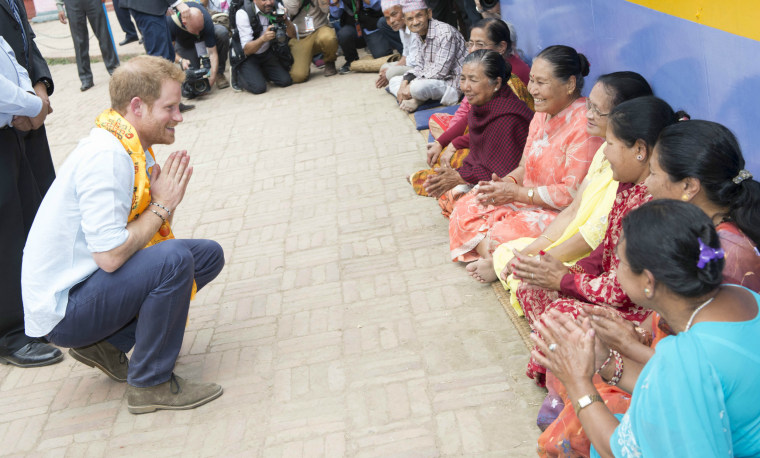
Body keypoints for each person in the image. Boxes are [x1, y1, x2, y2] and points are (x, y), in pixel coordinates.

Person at [538, 120, 760, 457]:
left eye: (622, 263)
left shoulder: (686, 356)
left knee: (584, 433)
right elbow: (680, 387)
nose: (616, 271)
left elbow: (622, 451)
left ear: (649, 282)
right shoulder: (746, 298)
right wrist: (608, 362)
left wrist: (578, 382)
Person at [21, 55, 225, 414]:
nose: (179, 116)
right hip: (63, 310)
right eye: (171, 107)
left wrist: (164, 204)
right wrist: (162, 205)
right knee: (175, 260)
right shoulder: (109, 156)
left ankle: (105, 344)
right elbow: (112, 256)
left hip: (85, 286)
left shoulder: (128, 145)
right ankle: (150, 383)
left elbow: (144, 233)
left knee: (205, 255)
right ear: (137, 106)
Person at [511, 96, 685, 387]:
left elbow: (626, 289)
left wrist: (566, 281)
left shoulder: (653, 203)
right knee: (532, 288)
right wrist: (569, 271)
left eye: (611, 145)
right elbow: (608, 244)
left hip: (637, 306)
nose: (604, 155)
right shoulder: (626, 184)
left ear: (640, 150)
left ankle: (579, 375)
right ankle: (568, 364)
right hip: (613, 287)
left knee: (561, 315)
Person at [484, 73, 653, 304]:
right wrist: (531, 254)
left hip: (588, 257)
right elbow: (574, 210)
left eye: (596, 109)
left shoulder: (629, 178)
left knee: (528, 281)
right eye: (588, 106)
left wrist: (541, 261)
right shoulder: (605, 152)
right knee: (507, 251)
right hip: (568, 241)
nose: (587, 114)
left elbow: (591, 238)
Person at [448, 45, 601, 265]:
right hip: (526, 200)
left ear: (569, 84)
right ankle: (495, 257)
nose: (532, 90)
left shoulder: (586, 124)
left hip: (559, 213)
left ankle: (495, 257)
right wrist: (504, 186)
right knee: (466, 205)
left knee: (504, 233)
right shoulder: (542, 114)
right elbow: (523, 166)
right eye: (532, 80)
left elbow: (571, 194)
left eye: (541, 83)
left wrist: (517, 194)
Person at [0, 1, 61, 368]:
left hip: (21, 115)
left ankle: (37, 309)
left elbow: (23, 41)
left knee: (36, 210)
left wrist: (39, 89)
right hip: (13, 111)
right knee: (6, 225)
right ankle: (11, 329)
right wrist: (27, 104)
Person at [420, 18, 533, 215]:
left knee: (458, 202)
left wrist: (461, 176)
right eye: (463, 79)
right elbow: (478, 140)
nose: (465, 87)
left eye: (473, 80)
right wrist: (446, 146)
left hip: (508, 182)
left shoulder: (508, 116)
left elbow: (504, 171)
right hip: (480, 165)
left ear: (497, 83)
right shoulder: (483, 101)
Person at [388, 0, 467, 112]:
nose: (415, 22)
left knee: (416, 87)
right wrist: (405, 83)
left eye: (419, 16)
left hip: (451, 82)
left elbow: (441, 72)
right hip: (430, 79)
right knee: (394, 81)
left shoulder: (445, 33)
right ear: (405, 20)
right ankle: (414, 96)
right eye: (410, 19)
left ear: (429, 14)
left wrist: (410, 85)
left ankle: (416, 99)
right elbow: (419, 67)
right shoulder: (417, 34)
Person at [230, 0, 295, 94]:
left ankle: (260, 71)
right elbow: (247, 50)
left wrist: (286, 20)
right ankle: (238, 72)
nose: (268, 3)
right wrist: (263, 39)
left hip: (267, 52)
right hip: (247, 56)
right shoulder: (243, 13)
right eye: (263, 0)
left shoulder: (277, 7)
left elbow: (292, 35)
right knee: (259, 88)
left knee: (286, 81)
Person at [56, 0, 119, 92]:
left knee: (103, 34)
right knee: (79, 41)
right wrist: (59, 6)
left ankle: (114, 70)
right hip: (72, 3)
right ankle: (86, 78)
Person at [168, 1, 230, 90]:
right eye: (195, 30)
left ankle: (219, 73)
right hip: (186, 43)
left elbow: (213, 53)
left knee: (221, 32)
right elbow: (169, 51)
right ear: (185, 24)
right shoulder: (171, 22)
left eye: (200, 29)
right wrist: (181, 60)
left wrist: (211, 80)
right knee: (192, 78)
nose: (198, 33)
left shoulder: (205, 18)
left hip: (205, 36)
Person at [283, 0, 340, 81]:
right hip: (300, 36)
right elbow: (292, 10)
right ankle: (305, 64)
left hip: (320, 29)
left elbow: (326, 10)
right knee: (298, 77)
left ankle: (329, 61)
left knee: (328, 38)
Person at [331, 0, 389, 74]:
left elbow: (377, 6)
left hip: (372, 27)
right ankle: (351, 60)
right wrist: (335, 2)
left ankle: (386, 44)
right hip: (353, 27)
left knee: (382, 55)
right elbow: (335, 14)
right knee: (344, 34)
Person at [121, 0, 191, 62]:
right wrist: (176, 2)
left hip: (152, 7)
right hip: (148, 7)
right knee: (159, 58)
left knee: (168, 56)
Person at [375, 0, 417, 88]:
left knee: (390, 73)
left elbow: (414, 61)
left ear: (404, 11)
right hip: (411, 64)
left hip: (420, 67)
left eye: (394, 14)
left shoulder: (415, 27)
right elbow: (405, 55)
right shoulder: (402, 29)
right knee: (384, 67)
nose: (391, 21)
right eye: (387, 18)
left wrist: (392, 70)